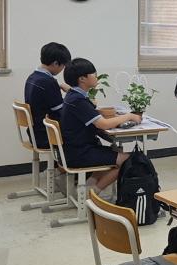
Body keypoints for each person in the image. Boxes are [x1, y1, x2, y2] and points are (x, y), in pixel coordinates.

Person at [61, 58, 142, 193]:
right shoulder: (78, 100)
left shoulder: (72, 96)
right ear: (82, 79)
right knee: (131, 161)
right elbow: (103, 124)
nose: (96, 76)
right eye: (93, 74)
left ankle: (88, 187)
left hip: (73, 149)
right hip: (80, 153)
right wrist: (129, 116)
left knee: (116, 152)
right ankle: (93, 192)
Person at [24, 42, 72, 149]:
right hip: (47, 136)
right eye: (63, 65)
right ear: (55, 63)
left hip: (34, 133)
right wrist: (71, 93)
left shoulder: (32, 77)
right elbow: (60, 114)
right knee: (85, 133)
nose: (62, 69)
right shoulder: (48, 82)